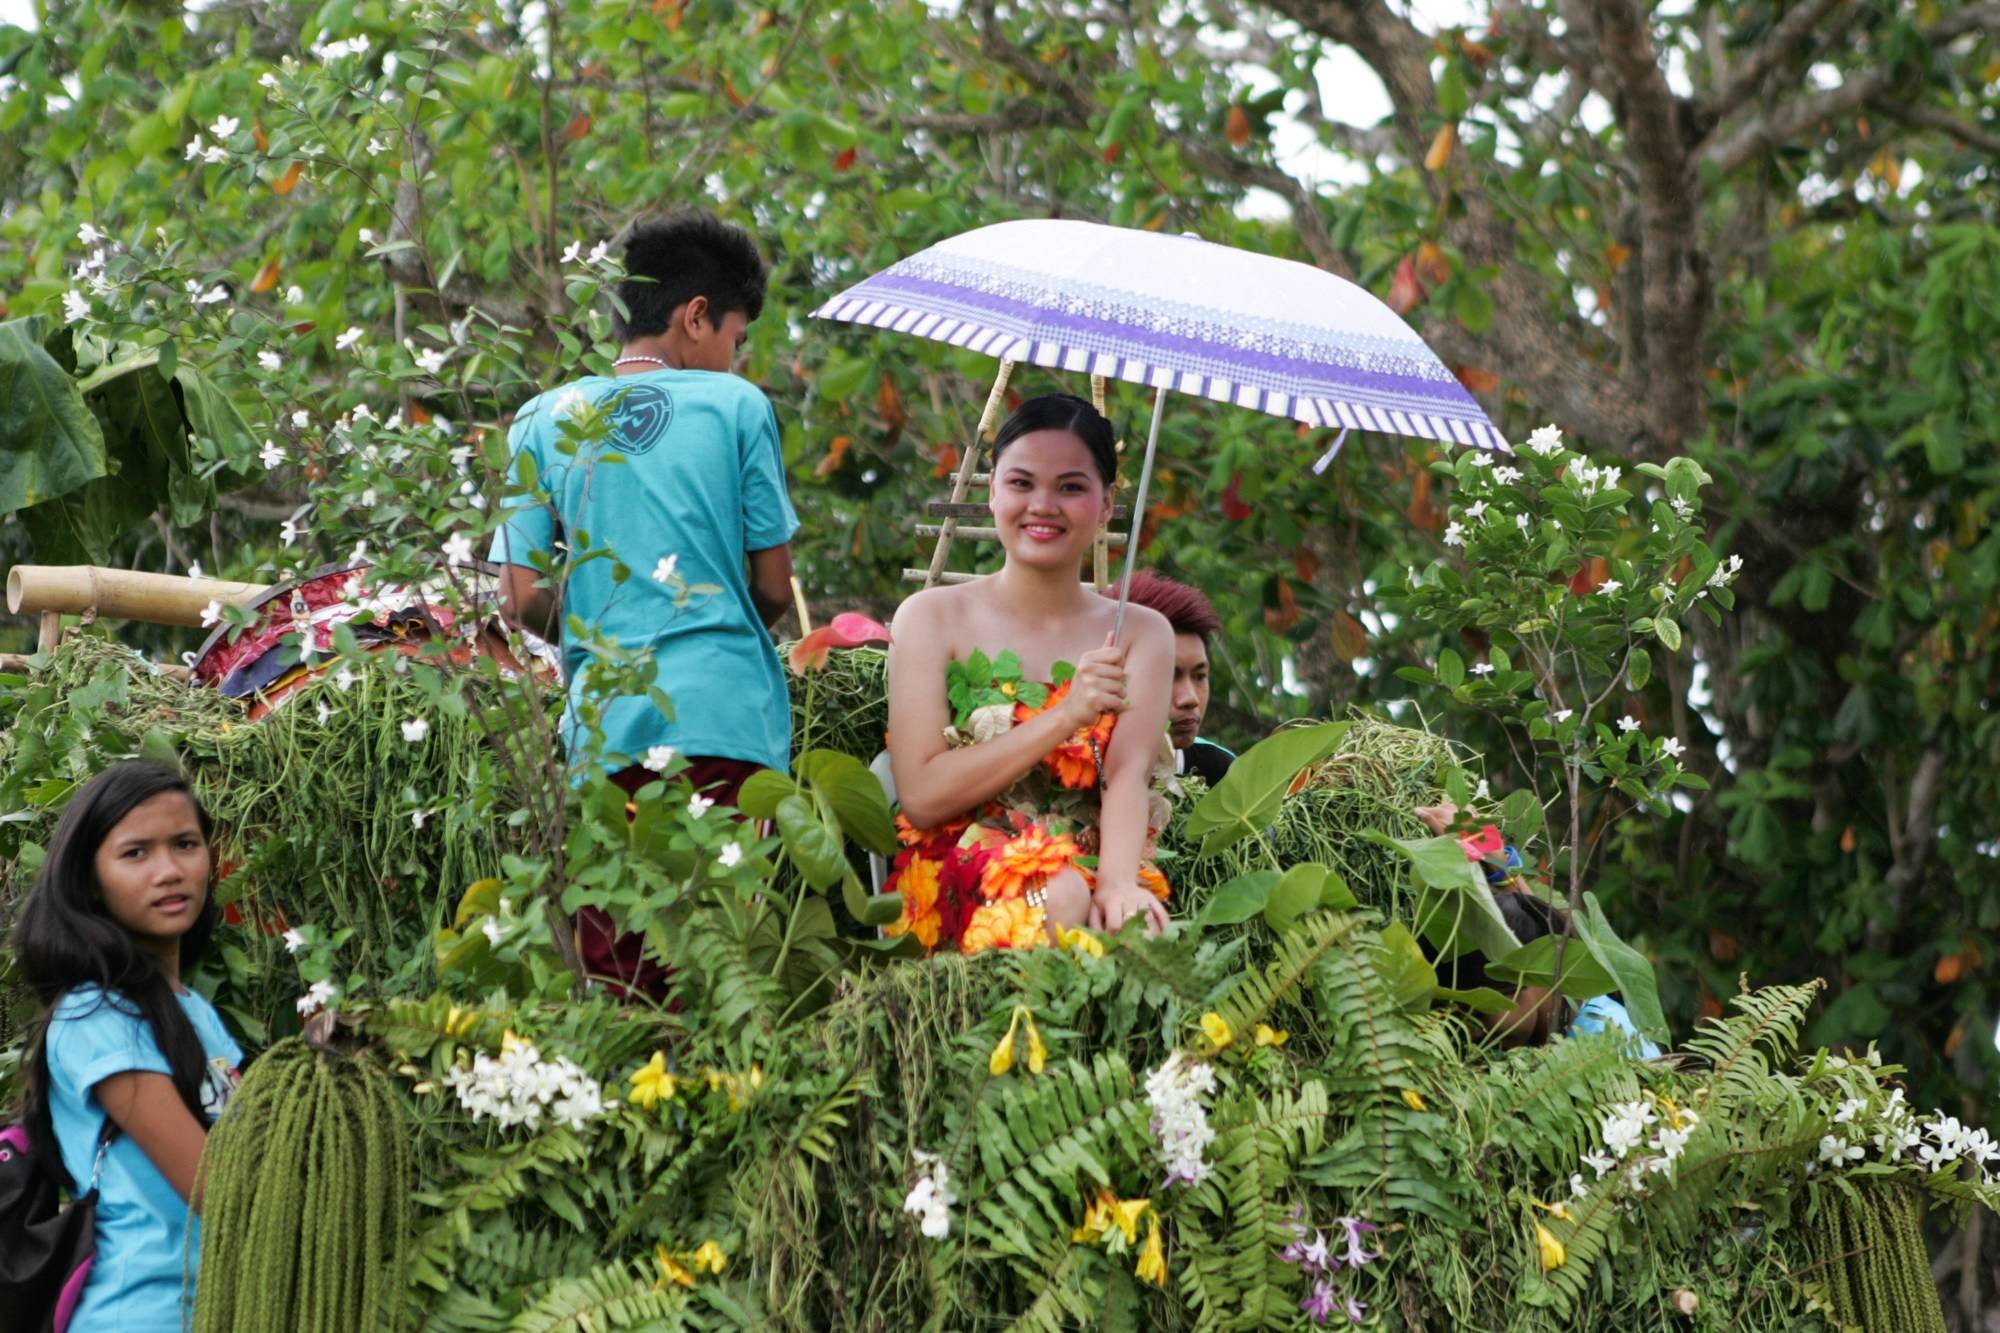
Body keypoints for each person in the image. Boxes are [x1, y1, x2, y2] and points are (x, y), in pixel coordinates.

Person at [489, 212, 800, 993]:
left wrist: (600, 632)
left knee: (624, 974)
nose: (733, 358)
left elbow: (521, 597)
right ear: (696, 317)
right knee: (727, 966)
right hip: (726, 717)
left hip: (607, 727)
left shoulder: (541, 418)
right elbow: (772, 585)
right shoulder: (737, 406)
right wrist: (714, 629)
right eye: (735, 336)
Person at [885, 393, 1177, 952]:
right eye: (1021, 483)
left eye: (1071, 487)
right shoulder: (930, 618)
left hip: (1097, 857)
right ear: (992, 490)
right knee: (1061, 893)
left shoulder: (1141, 634)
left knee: (1133, 919)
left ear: (1108, 503)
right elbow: (921, 796)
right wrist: (1067, 713)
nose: (1043, 505)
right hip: (969, 862)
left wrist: (1118, 885)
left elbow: (1127, 775)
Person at [9, 762, 242, 1330]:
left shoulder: (196, 1011)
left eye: (185, 844)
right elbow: (219, 1189)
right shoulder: (98, 1016)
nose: (169, 871)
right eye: (136, 853)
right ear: (89, 878)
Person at [1104, 570, 1234, 785]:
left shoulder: (1223, 773)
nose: (1190, 698)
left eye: (1200, 676)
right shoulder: (1067, 762)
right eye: (1168, 677)